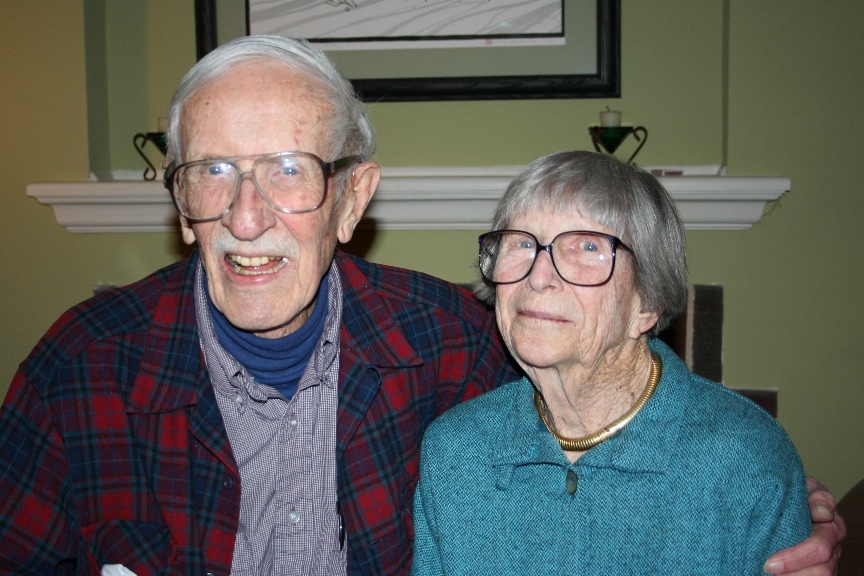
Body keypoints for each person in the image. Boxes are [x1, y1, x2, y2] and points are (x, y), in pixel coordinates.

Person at [0, 36, 843, 576]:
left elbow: (602, 371)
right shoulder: (83, 368)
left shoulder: (443, 339)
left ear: (351, 196)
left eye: (288, 170)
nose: (245, 216)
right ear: (181, 202)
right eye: (213, 172)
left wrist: (771, 497)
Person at [411, 150, 836, 575]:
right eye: (522, 243)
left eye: (588, 246)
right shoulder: (457, 450)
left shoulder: (743, 458)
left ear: (648, 303)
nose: (538, 276)